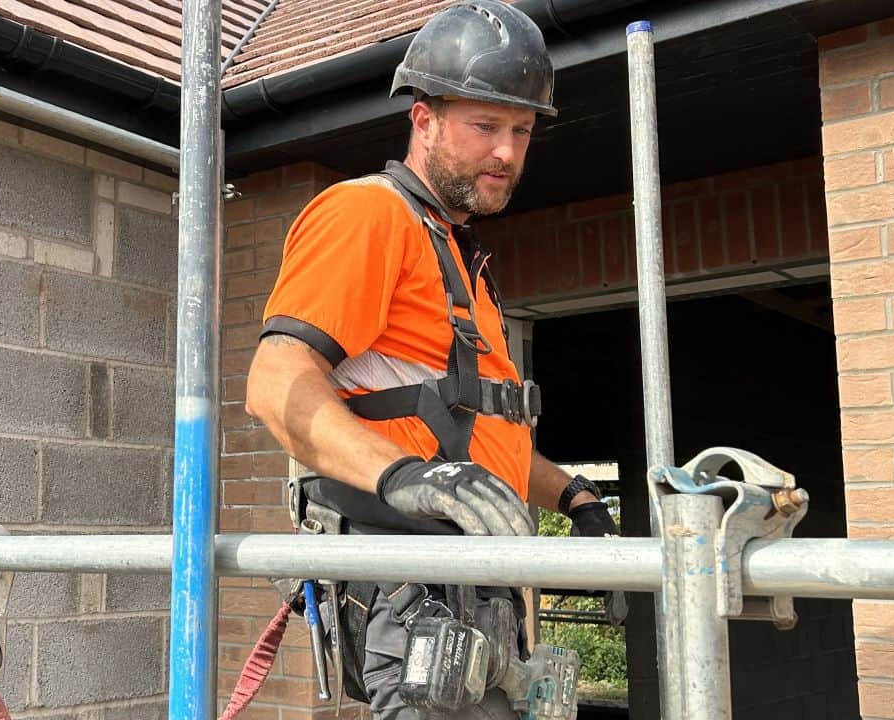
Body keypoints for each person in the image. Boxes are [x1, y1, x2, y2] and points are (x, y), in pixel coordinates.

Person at [244, 2, 620, 718]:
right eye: (484, 126)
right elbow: (274, 382)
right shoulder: (368, 215)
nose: (506, 152)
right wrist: (406, 478)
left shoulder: (456, 254)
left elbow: (468, 445)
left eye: (521, 130)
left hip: (479, 590)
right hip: (412, 592)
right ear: (423, 121)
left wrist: (576, 497)